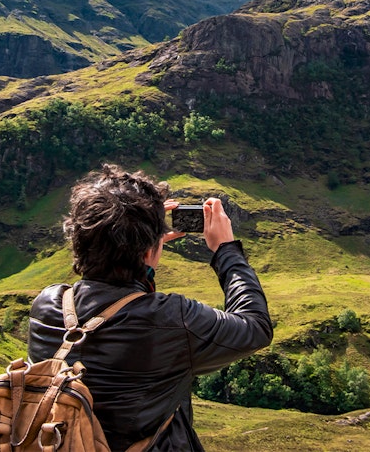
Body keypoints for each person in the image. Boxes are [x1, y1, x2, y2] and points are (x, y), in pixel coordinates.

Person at [27, 164, 273, 451]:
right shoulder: (172, 319)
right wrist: (226, 251)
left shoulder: (47, 305)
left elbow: (107, 295)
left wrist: (141, 251)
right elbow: (255, 326)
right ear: (147, 250)